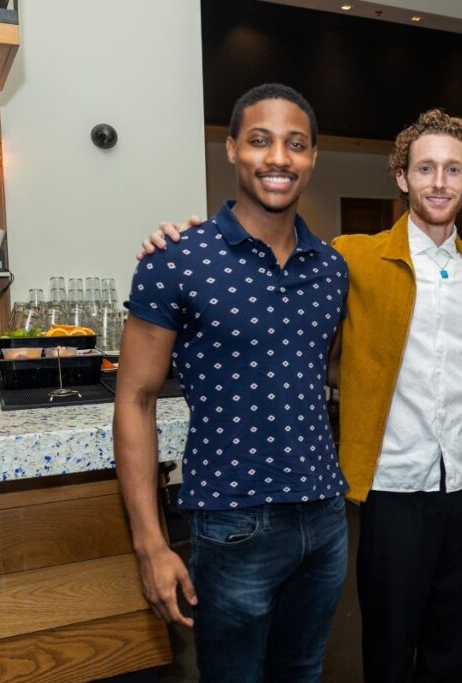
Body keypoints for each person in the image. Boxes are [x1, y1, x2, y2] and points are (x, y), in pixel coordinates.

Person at [139, 109, 462, 682]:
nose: (439, 181)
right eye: (426, 168)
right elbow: (313, 340)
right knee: (387, 645)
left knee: (457, 644)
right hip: (392, 483)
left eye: (454, 170)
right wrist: (180, 240)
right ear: (401, 177)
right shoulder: (350, 258)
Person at [115, 83, 349, 682]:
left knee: (303, 671)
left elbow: (322, 374)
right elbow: (135, 400)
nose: (278, 158)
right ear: (231, 149)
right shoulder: (175, 259)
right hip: (232, 522)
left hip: (324, 519)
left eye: (295, 144)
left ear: (313, 157)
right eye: (260, 141)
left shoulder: (330, 269)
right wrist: (151, 544)